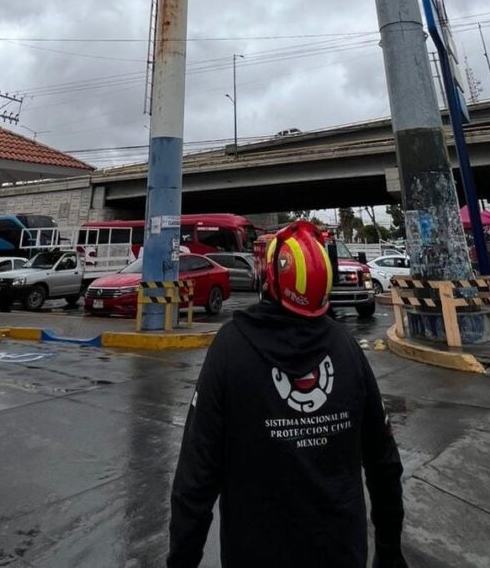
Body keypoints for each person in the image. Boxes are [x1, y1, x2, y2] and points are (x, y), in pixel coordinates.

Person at [168, 220, 407, 567]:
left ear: (270, 277)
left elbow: (195, 477)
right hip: (342, 553)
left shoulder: (231, 349)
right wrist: (389, 550)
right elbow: (384, 463)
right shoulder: (347, 349)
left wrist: (181, 559)